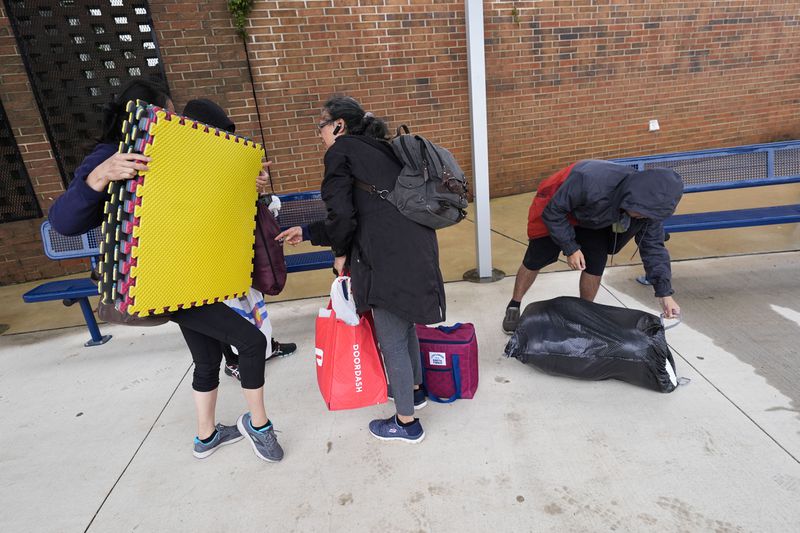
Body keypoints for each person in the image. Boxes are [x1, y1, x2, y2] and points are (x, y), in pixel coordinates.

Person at [49, 81, 284, 462]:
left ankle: (206, 437)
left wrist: (248, 184)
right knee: (253, 342)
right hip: (157, 282)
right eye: (168, 112)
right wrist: (101, 175)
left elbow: (207, 207)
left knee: (207, 360)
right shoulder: (113, 155)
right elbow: (63, 221)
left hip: (190, 278)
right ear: (144, 114)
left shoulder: (174, 154)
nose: (175, 120)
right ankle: (259, 427)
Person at [276, 95, 444, 443]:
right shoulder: (381, 149)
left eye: (320, 126)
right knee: (405, 325)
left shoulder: (341, 151)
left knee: (392, 338)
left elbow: (343, 216)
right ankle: (414, 392)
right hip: (415, 247)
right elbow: (359, 210)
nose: (318, 133)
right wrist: (307, 232)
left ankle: (406, 423)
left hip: (386, 257)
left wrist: (339, 252)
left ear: (338, 125)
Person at [181, 98, 297, 382]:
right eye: (220, 130)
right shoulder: (187, 163)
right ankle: (232, 359)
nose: (225, 137)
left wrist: (254, 185)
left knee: (249, 298)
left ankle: (266, 344)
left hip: (236, 241)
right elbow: (208, 205)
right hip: (209, 248)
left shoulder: (221, 156)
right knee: (224, 306)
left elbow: (236, 201)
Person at [502, 159, 683, 334]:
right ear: (633, 197)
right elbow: (554, 211)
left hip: (594, 218)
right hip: (559, 207)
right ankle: (514, 304)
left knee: (596, 263)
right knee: (535, 258)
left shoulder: (649, 212)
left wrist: (664, 294)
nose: (641, 218)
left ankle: (583, 313)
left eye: (646, 215)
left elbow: (654, 249)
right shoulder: (589, 180)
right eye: (641, 213)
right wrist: (571, 248)